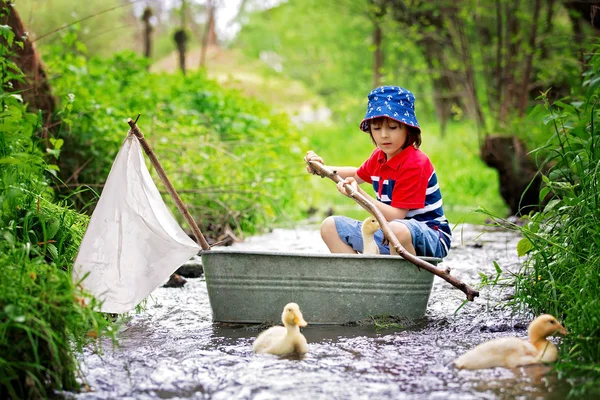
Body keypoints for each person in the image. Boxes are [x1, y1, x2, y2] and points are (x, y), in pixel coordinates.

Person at [304, 85, 451, 258]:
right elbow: (357, 175)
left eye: (393, 127)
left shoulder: (415, 163)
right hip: (390, 232)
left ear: (407, 128)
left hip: (429, 236)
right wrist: (322, 168)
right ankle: (360, 280)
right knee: (330, 226)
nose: (384, 135)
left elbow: (397, 216)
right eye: (376, 128)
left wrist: (357, 194)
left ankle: (403, 283)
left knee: (395, 229)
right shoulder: (380, 156)